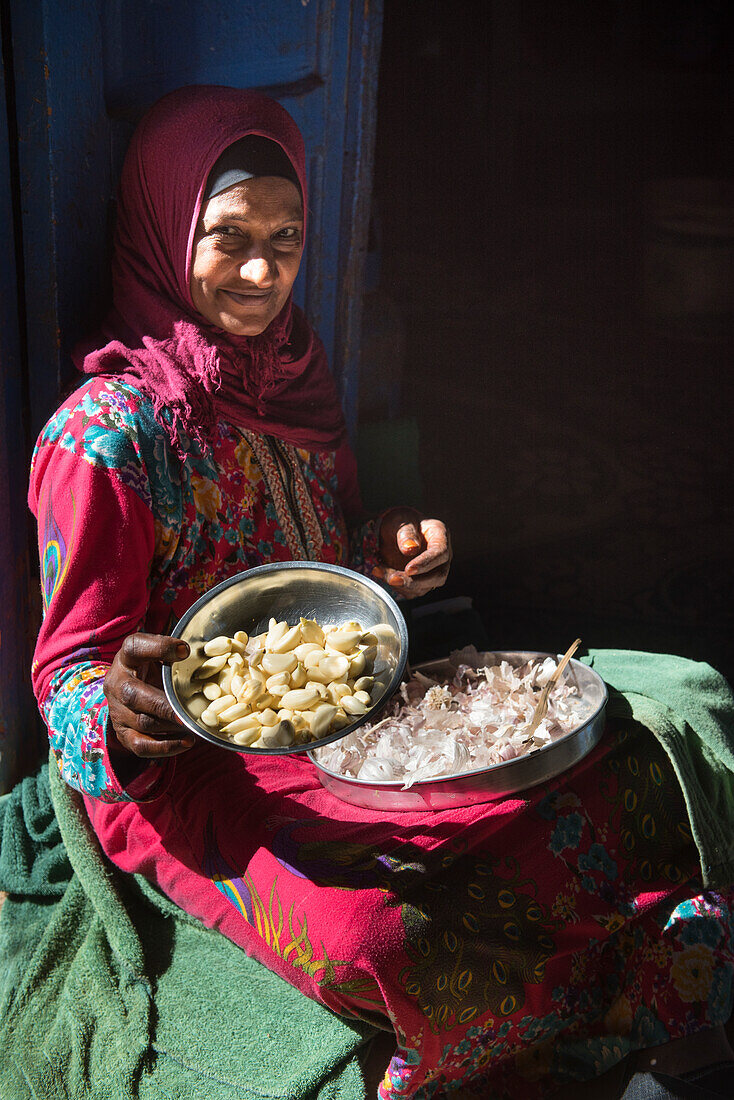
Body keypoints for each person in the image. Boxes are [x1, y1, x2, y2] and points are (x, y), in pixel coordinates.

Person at [28, 86, 734, 1099]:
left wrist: (384, 558)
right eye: (227, 238)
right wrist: (123, 707)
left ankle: (604, 989)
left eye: (285, 236)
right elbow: (65, 672)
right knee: (375, 933)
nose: (263, 272)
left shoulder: (291, 373)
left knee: (628, 754)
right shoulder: (105, 440)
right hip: (189, 777)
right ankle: (636, 975)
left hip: (346, 721)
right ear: (162, 226)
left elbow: (320, 574)